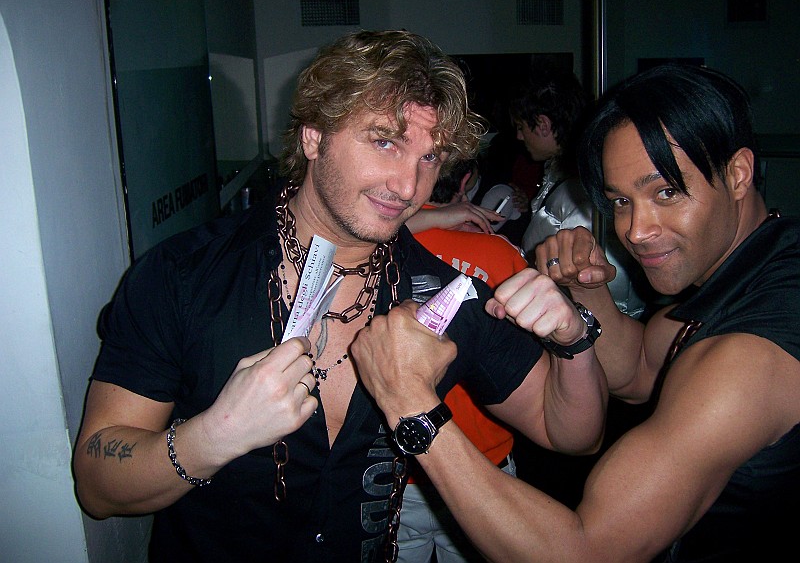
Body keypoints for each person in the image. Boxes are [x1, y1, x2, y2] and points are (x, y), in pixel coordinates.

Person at [72, 29, 608, 563]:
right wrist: (216, 435)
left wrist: (574, 337)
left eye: (430, 157)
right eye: (385, 142)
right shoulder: (184, 276)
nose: (408, 187)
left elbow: (570, 432)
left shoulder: (441, 296)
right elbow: (97, 486)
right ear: (313, 136)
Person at [350, 63, 800, 562]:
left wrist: (413, 407)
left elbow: (587, 551)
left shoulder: (748, 359)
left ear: (738, 174)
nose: (636, 231)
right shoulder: (759, 270)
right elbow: (639, 370)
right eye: (621, 201)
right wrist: (585, 288)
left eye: (666, 192)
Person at [400, 161, 528, 563]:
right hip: (482, 467)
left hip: (400, 468)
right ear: (468, 181)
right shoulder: (501, 255)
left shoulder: (379, 246)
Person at [513, 64, 649, 319]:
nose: (520, 136)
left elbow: (609, 290)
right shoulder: (562, 173)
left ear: (542, 124)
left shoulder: (580, 191)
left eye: (521, 127)